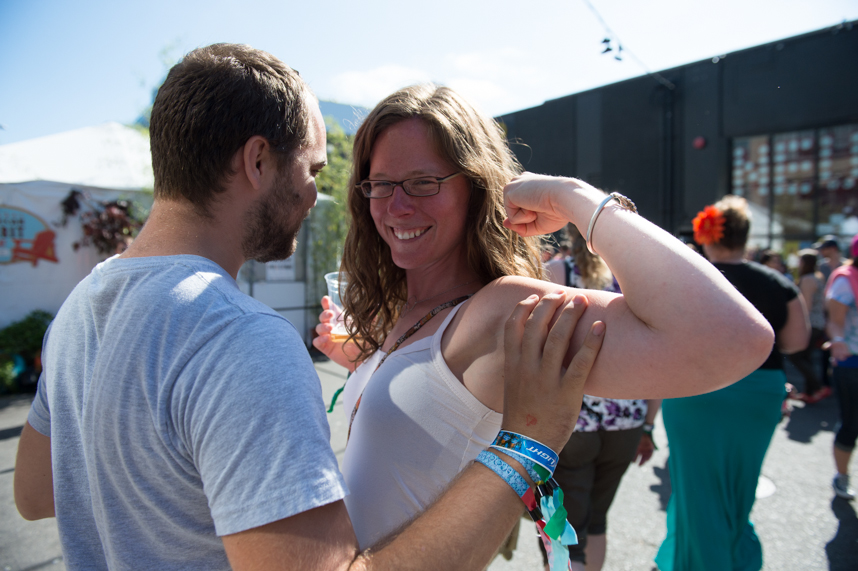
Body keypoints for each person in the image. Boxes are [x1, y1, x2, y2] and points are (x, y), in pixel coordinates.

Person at [12, 44, 609, 571]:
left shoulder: (81, 307)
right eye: (313, 169)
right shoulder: (240, 340)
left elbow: (36, 493)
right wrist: (524, 448)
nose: (314, 196)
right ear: (258, 162)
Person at [312, 84, 774, 553]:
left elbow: (733, 338)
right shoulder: (409, 307)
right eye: (381, 184)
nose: (397, 205)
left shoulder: (502, 311)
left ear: (476, 189)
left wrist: (575, 198)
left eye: (423, 182)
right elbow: (431, 419)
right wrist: (367, 364)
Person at [655, 196, 809, 571]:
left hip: (695, 391)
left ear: (707, 235)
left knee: (696, 485)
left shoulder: (688, 277)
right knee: (740, 487)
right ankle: (732, 558)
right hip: (757, 393)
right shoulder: (778, 283)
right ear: (744, 236)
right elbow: (797, 341)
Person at [543, 224, 662, 571]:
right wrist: (649, 426)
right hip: (627, 423)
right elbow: (656, 360)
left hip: (570, 424)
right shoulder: (637, 281)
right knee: (597, 521)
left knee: (562, 532)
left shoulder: (558, 272)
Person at [825, 233, 858, 500]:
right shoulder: (846, 279)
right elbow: (835, 320)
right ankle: (842, 476)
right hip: (851, 362)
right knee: (851, 423)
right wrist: (837, 341)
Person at [789, 249, 831, 403]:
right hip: (818, 323)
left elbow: (805, 306)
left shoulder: (807, 279)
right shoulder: (818, 277)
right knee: (806, 357)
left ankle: (818, 387)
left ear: (805, 262)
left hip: (810, 323)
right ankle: (810, 392)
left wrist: (796, 325)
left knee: (795, 356)